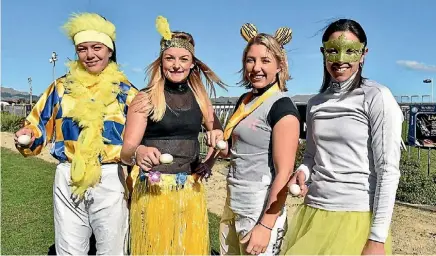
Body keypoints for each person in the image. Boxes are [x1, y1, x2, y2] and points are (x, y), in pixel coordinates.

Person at [14, 12, 138, 255]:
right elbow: (38, 125)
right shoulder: (60, 87)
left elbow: (139, 139)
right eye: (82, 49)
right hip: (67, 175)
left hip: (111, 177)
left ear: (110, 50)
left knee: (113, 250)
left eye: (96, 48)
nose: (89, 55)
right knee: (68, 250)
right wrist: (27, 134)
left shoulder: (126, 92)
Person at [283, 19, 403, 255]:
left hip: (355, 219)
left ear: (363, 54)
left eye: (351, 51)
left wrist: (377, 239)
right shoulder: (315, 103)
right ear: (323, 52)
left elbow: (388, 170)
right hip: (314, 211)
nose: (340, 59)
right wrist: (303, 172)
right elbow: (311, 155)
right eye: (332, 50)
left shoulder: (377, 97)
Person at [120, 16, 226, 255]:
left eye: (183, 59)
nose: (176, 65)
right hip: (153, 192)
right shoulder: (145, 98)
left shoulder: (200, 98)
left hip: (190, 192)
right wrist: (139, 152)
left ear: (192, 64)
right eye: (170, 58)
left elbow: (219, 138)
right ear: (161, 62)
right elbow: (125, 152)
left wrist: (209, 162)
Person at [207, 23, 300, 255]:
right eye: (250, 60)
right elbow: (234, 152)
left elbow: (284, 172)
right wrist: (218, 139)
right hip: (233, 202)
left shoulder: (281, 107)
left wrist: (265, 225)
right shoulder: (245, 101)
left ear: (280, 65)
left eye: (265, 61)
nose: (256, 67)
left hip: (259, 209)